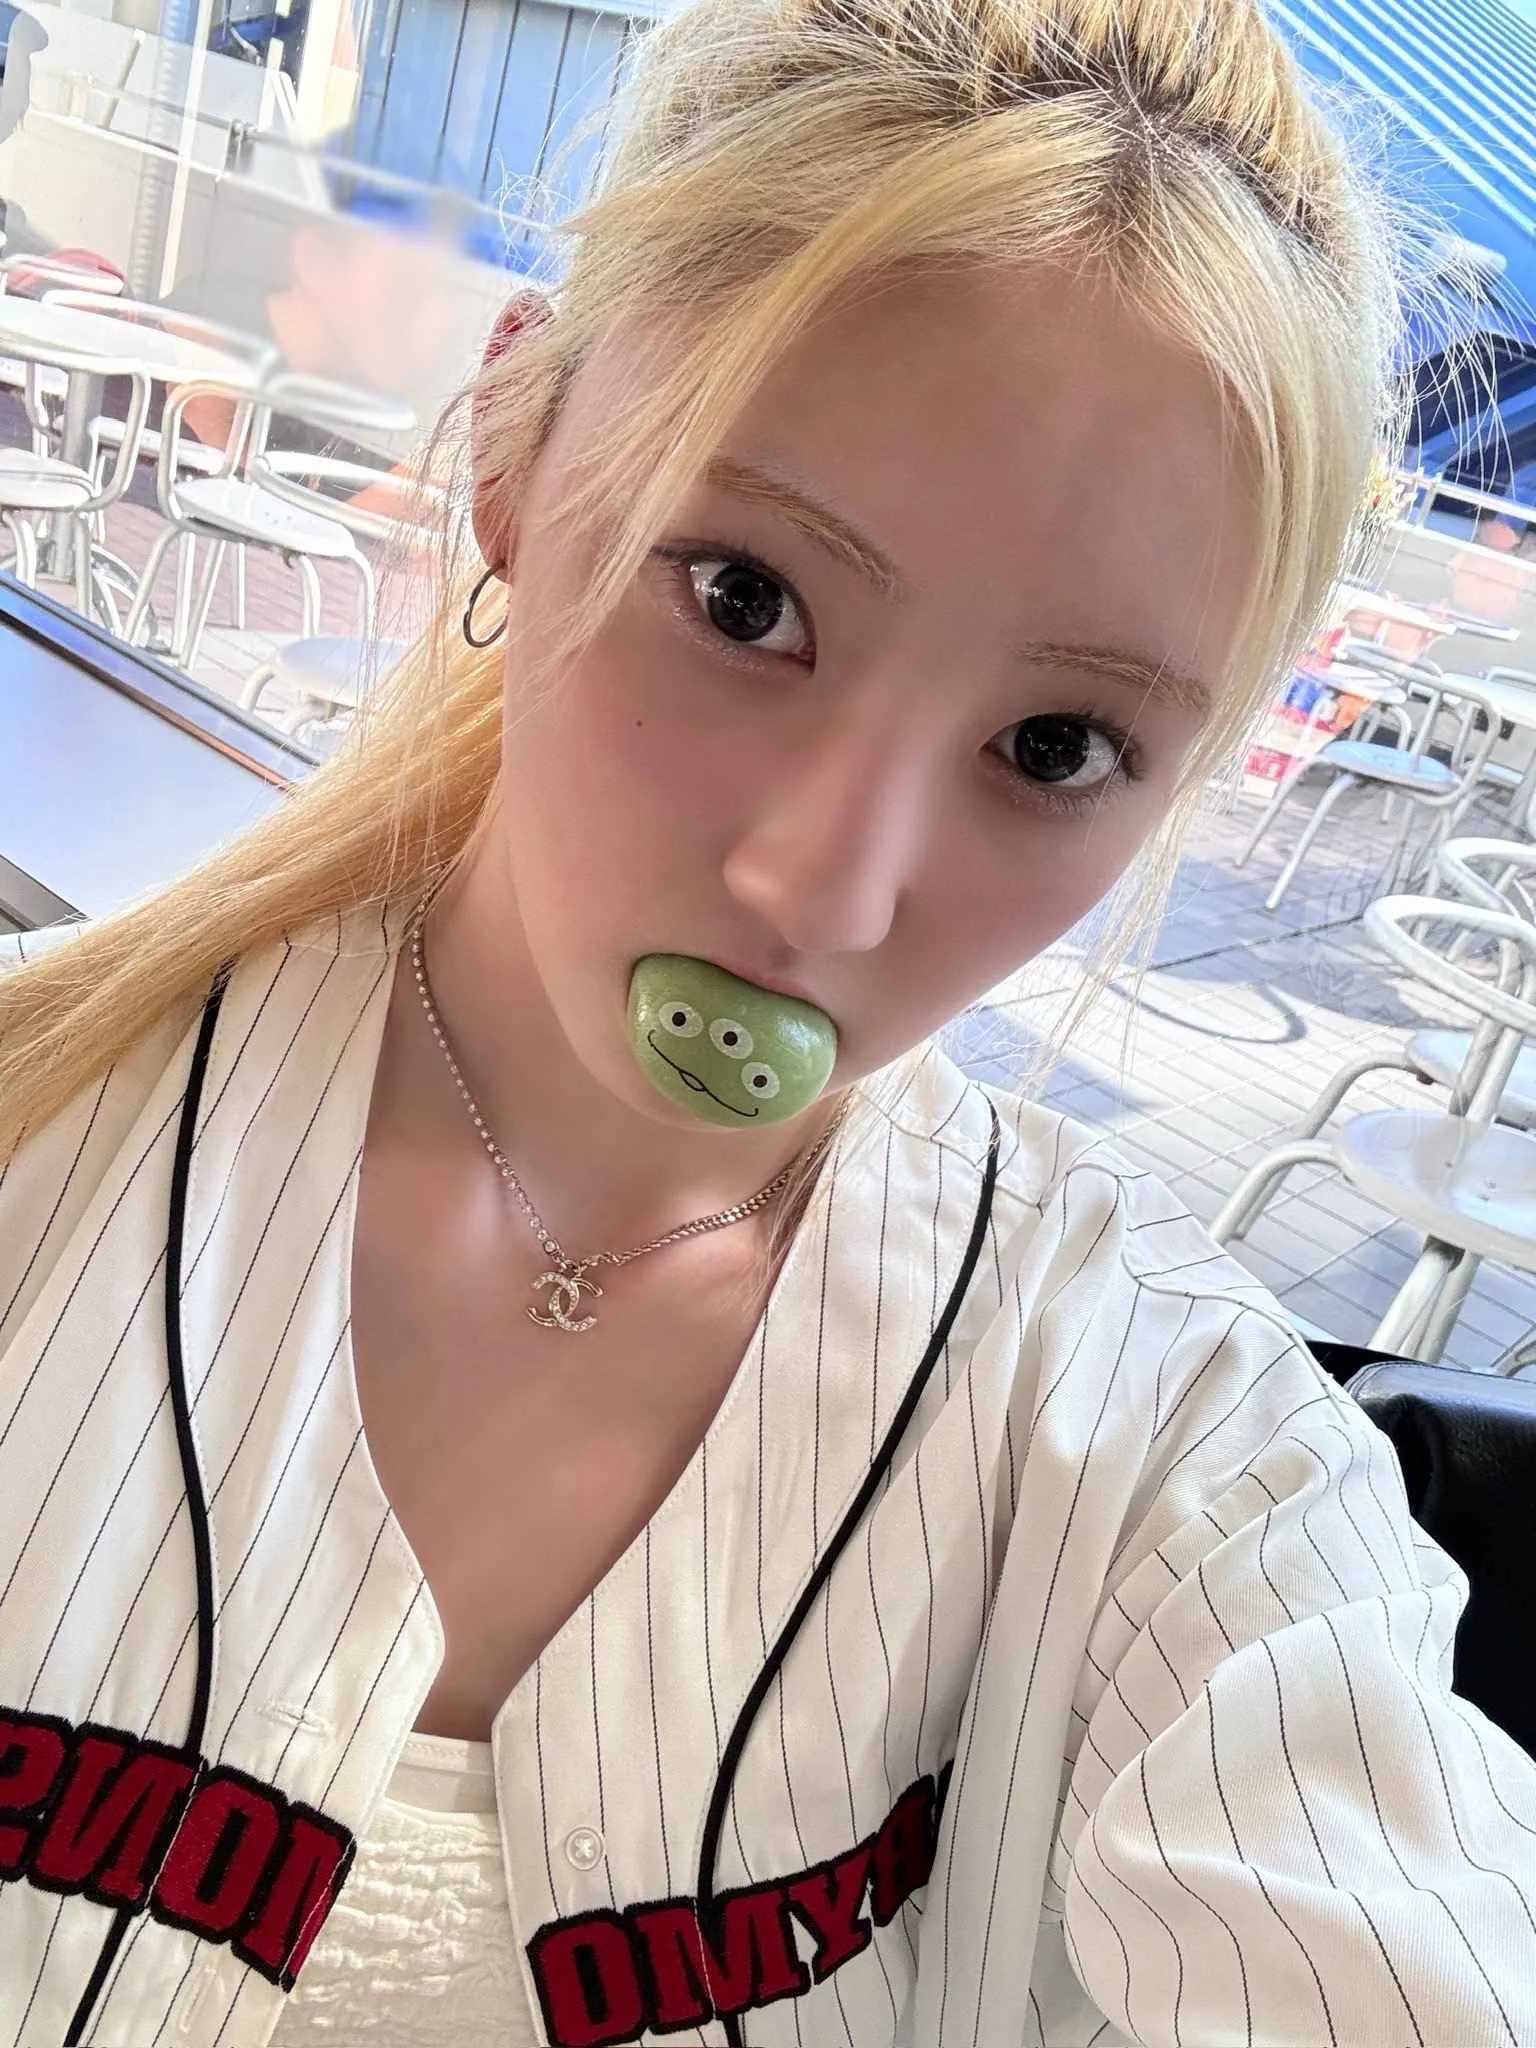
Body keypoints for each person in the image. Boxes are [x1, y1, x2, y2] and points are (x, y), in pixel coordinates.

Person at [1, 0, 1534, 2042]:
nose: (828, 890)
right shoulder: (42, 1135)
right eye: (746, 599)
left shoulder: (1178, 1445)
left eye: (1056, 745)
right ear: (518, 451)